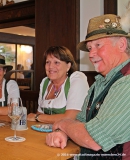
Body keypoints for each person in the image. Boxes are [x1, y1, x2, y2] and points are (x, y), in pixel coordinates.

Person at [46, 14, 130, 159]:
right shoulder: (99, 83)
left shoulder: (126, 82)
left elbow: (94, 139)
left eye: (98, 45)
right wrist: (64, 132)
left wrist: (63, 124)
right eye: (90, 48)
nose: (91, 54)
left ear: (122, 45)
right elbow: (79, 121)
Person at [27, 46, 89, 124]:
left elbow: (70, 118)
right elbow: (40, 113)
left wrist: (37, 117)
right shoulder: (45, 82)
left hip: (71, 134)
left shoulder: (77, 79)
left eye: (56, 62)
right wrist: (38, 117)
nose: (51, 66)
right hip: (48, 132)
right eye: (48, 62)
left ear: (68, 66)